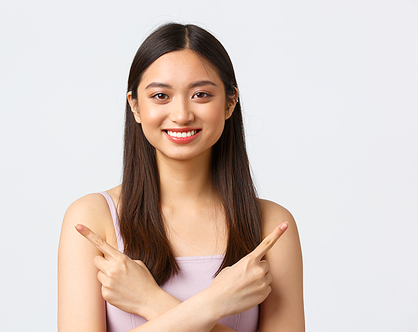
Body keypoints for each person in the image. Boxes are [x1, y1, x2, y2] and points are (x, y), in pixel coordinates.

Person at [58, 23, 304, 332]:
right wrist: (216, 302)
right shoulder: (94, 217)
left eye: (201, 94)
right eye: (161, 95)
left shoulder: (270, 225)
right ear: (135, 105)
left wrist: (149, 300)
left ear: (230, 103)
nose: (182, 114)